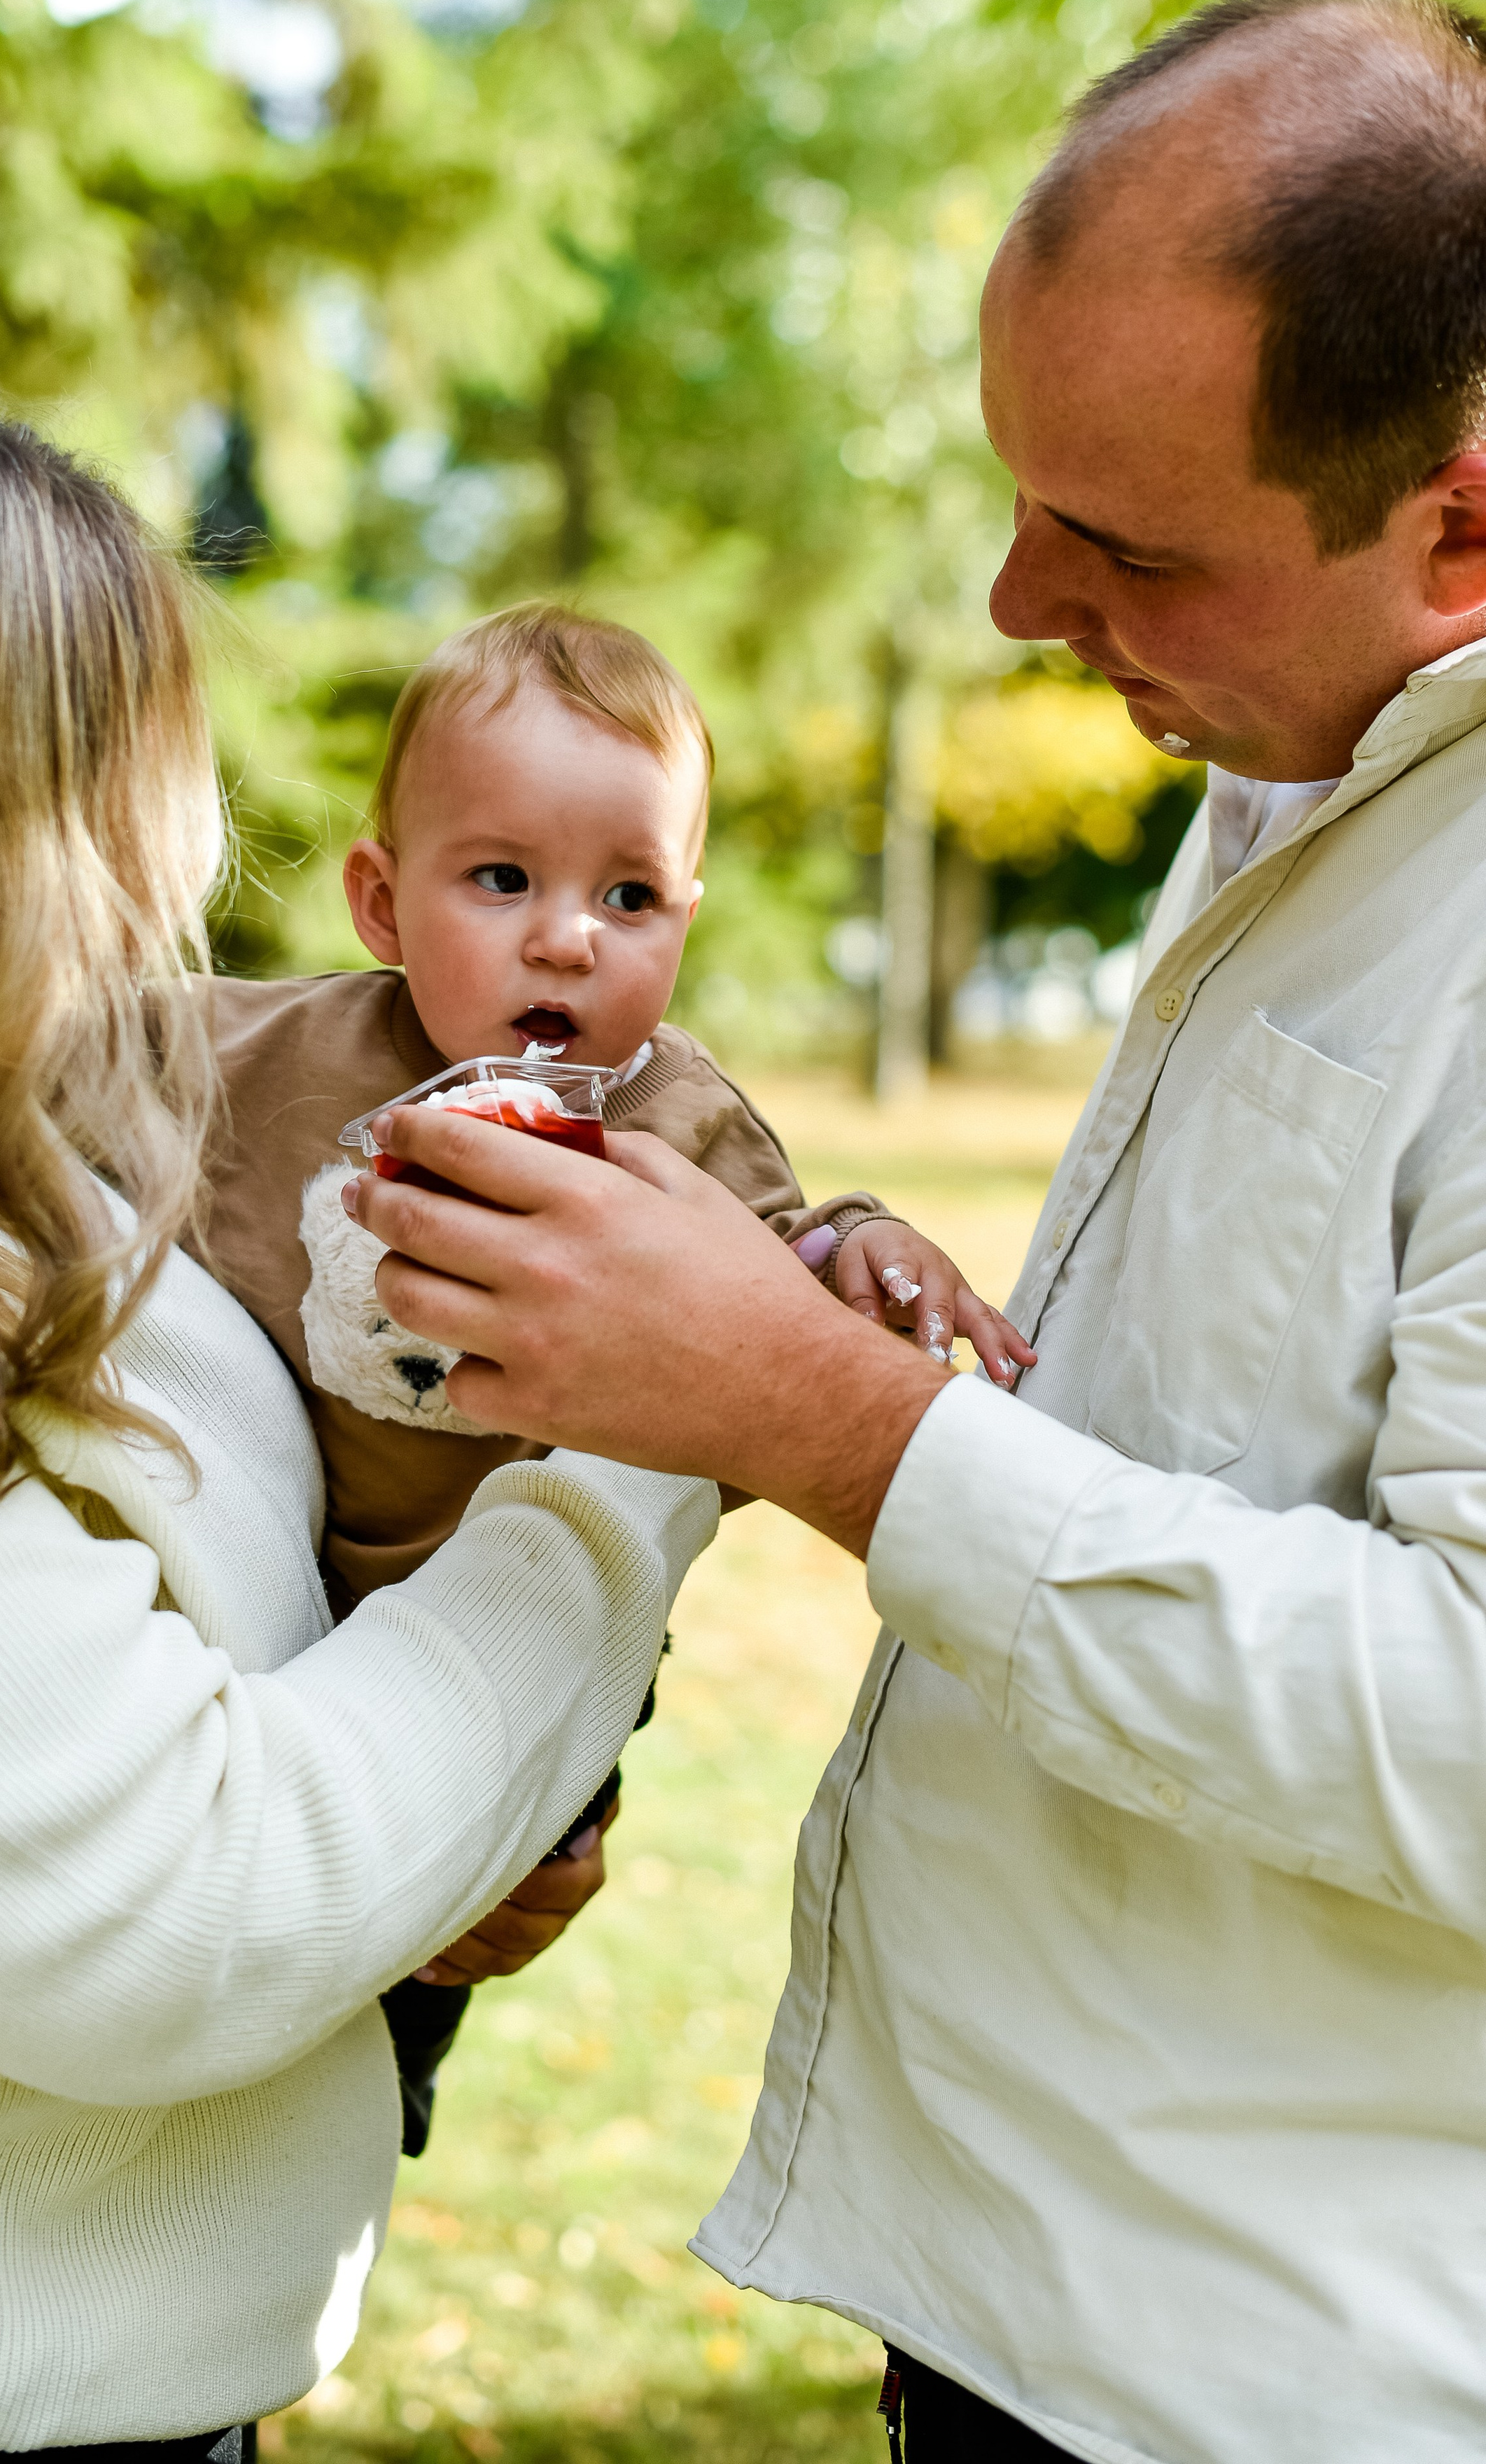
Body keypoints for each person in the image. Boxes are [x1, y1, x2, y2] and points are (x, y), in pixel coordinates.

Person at [349, 0, 1486, 2462]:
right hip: (1033, 2311)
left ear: (1464, 521)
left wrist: (815, 1413)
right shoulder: (1308, 768)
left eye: (1117, 541)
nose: (1007, 603)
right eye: (1018, 490)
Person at [0, 367, 717, 2454]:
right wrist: (638, 1443)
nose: (179, 840)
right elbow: (206, 1904)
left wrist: (459, 1834)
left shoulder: (3, 1173)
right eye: (124, 768)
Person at [197, 599, 1033, 2150]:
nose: (566, 936)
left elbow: (789, 1257)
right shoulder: (251, 1056)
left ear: (684, 919)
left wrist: (874, 1246)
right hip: (265, 1603)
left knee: (451, 1921)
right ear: (382, 901)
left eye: (629, 894)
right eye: (501, 878)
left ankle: (389, 2068)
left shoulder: (676, 1118)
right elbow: (49, 1058)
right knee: (243, 1938)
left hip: (532, 1636)